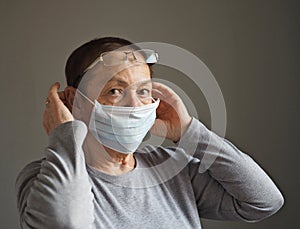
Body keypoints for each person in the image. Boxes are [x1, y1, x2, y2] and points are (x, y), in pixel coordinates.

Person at [16, 37, 284, 229]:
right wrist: (64, 135)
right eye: (115, 91)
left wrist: (189, 132)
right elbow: (64, 222)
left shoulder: (172, 168)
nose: (134, 105)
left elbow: (264, 201)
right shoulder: (44, 177)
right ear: (75, 100)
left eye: (143, 91)